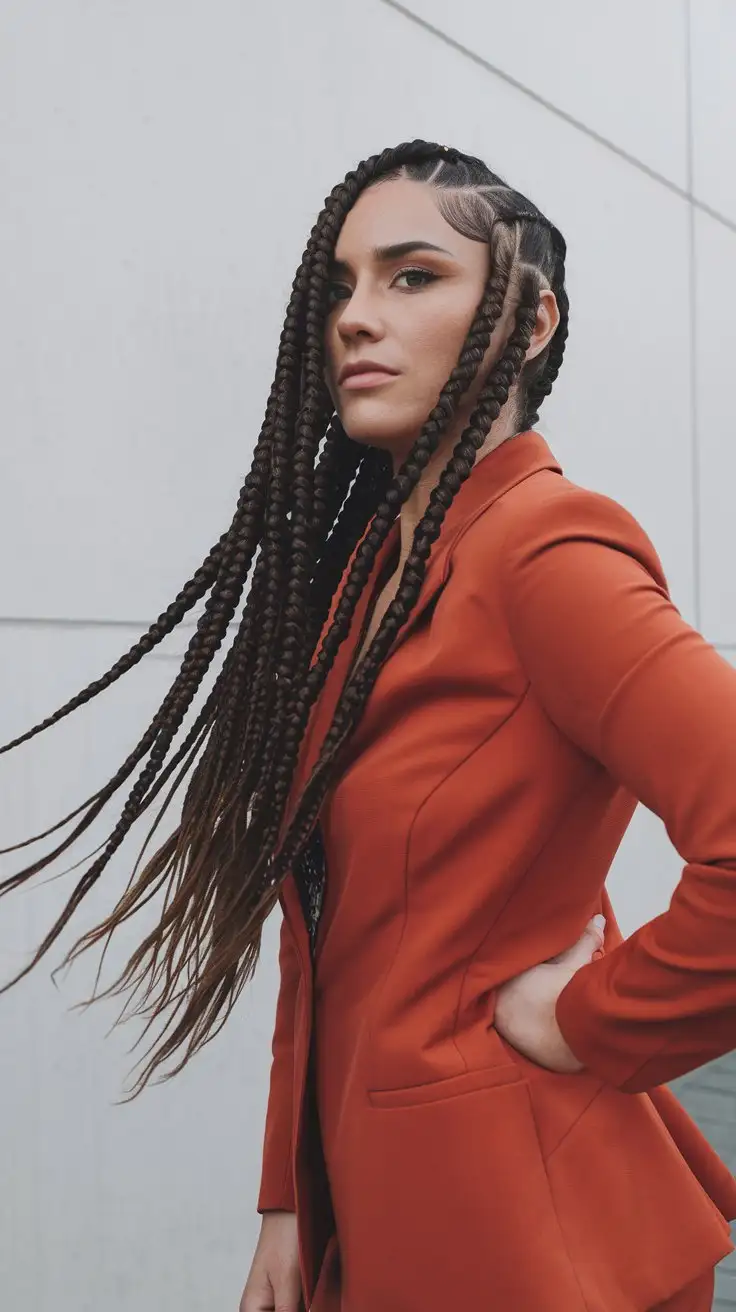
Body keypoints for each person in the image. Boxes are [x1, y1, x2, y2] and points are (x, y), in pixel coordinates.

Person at [1, 140, 735, 1311]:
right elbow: (325, 912)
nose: (355, 316)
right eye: (340, 284)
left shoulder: (549, 555)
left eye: (410, 276)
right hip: (374, 1206)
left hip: (521, 1237)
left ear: (529, 320)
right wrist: (288, 1198)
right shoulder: (364, 580)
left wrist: (589, 1018)